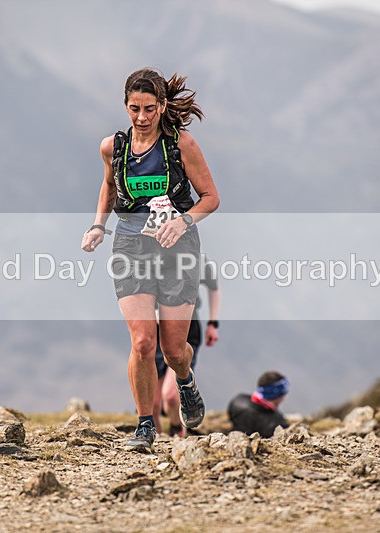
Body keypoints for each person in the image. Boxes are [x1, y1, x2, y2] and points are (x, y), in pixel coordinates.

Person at [81, 68, 220, 450]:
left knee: (174, 350)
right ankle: (146, 424)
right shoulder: (113, 146)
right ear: (125, 106)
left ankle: (186, 381)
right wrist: (98, 226)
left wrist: (183, 221)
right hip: (131, 247)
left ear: (162, 106)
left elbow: (211, 197)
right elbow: (109, 185)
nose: (141, 117)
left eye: (148, 109)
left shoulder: (181, 145)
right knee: (143, 341)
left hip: (179, 250)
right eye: (133, 108)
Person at [153, 260, 220, 437]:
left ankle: (177, 429)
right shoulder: (144, 253)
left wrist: (213, 323)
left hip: (186, 327)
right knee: (153, 404)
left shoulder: (192, 257)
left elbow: (213, 287)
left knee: (171, 397)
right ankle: (156, 443)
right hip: (154, 329)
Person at [227, 371, 291, 438]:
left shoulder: (238, 401)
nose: (283, 399)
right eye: (282, 394)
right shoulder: (271, 423)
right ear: (275, 394)